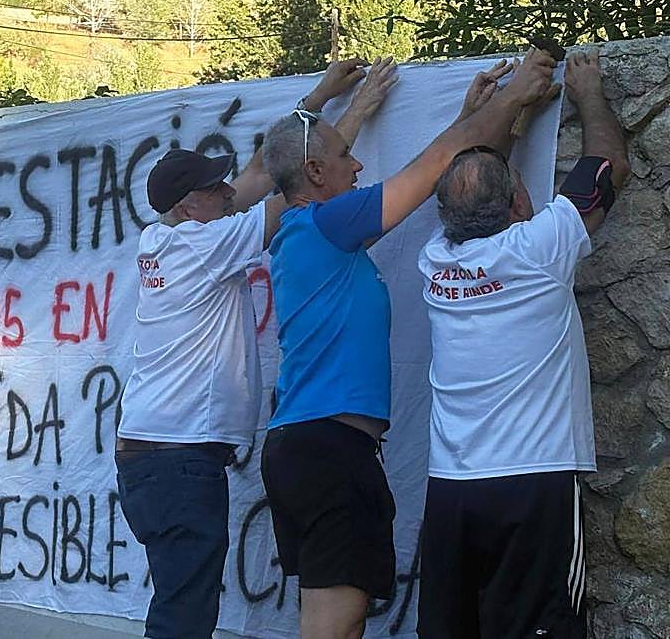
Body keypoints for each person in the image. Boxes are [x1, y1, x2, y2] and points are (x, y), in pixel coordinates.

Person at [257, 49, 559, 639]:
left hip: (309, 447)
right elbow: (436, 166)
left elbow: (442, 161)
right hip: (328, 450)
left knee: (331, 623)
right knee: (334, 628)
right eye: (345, 156)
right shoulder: (330, 223)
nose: (358, 163)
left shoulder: (304, 235)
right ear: (315, 175)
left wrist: (475, 115)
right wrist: (515, 93)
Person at [115, 56, 398, 639]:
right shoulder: (205, 246)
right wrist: (360, 108)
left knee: (179, 601)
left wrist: (319, 95)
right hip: (180, 458)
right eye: (213, 188)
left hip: (154, 457)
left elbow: (257, 176)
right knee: (184, 616)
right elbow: (293, 184)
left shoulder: (162, 238)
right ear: (188, 206)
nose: (228, 190)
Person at [416, 48, 630, 639]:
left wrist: (489, 116)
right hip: (533, 485)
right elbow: (609, 164)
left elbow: (469, 190)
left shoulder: (435, 260)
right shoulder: (538, 250)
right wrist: (585, 88)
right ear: (518, 205)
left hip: (453, 488)